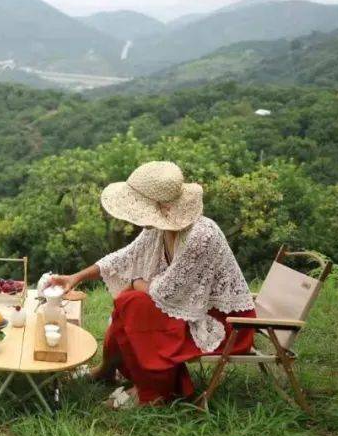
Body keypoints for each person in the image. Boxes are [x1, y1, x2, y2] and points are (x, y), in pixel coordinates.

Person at [47, 161, 256, 405]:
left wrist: (136, 283)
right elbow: (124, 257)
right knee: (130, 302)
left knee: (132, 302)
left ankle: (153, 391)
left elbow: (165, 292)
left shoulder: (201, 235)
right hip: (184, 305)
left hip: (226, 324)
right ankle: (108, 370)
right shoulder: (160, 228)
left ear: (162, 207)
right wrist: (76, 277)